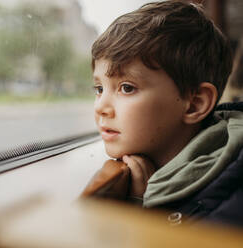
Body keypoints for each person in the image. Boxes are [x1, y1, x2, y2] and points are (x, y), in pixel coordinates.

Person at [81, 0, 243, 228]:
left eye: (127, 87)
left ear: (194, 104)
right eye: (99, 89)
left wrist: (149, 211)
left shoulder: (233, 198)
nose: (100, 107)